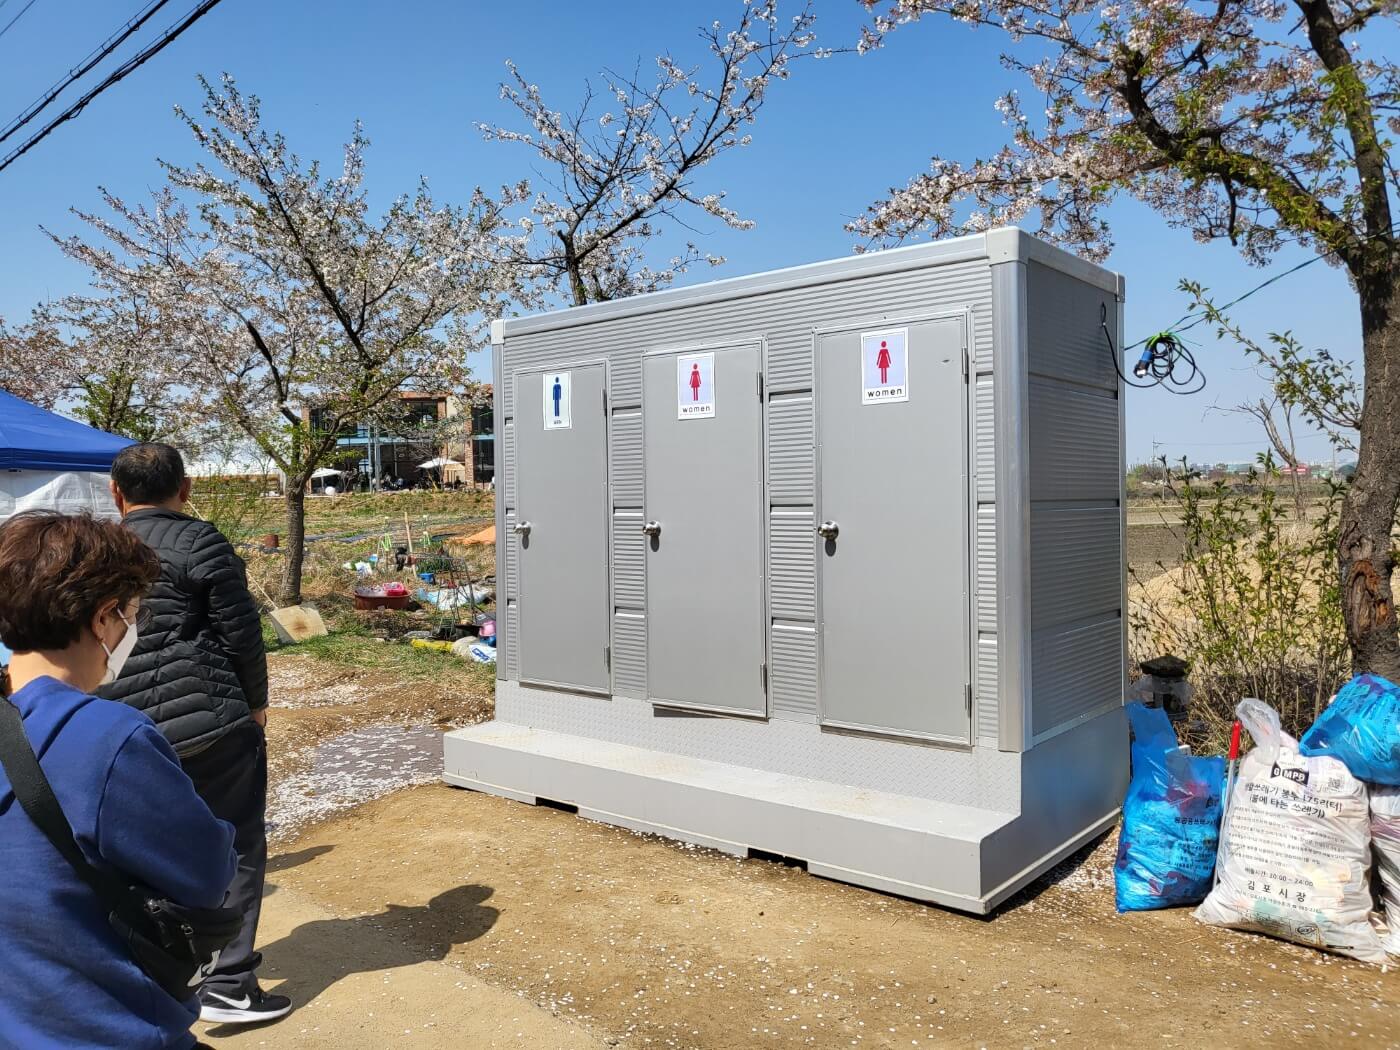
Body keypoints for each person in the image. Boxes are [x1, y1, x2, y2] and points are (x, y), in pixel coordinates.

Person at [0, 510, 237, 1049]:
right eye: (133, 612)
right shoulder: (109, 738)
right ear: (104, 618)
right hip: (98, 1024)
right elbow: (205, 873)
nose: (133, 626)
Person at [99, 443, 290, 1025]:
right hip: (209, 722)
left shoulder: (96, 549)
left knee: (146, 852)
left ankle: (156, 974)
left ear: (116, 493)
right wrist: (256, 706)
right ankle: (228, 984)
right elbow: (242, 635)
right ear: (184, 490)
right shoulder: (201, 540)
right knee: (235, 846)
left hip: (126, 726)